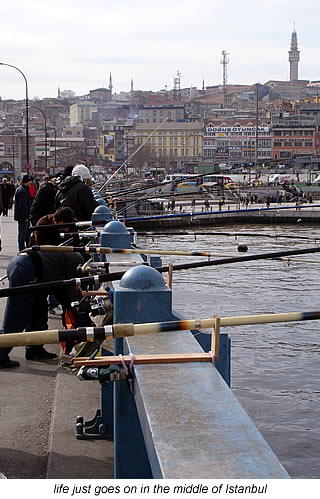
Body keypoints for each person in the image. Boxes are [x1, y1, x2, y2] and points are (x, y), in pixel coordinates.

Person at [0, 250, 86, 368]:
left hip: (28, 267)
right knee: (16, 318)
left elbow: (65, 291)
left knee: (38, 313)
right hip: (27, 270)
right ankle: (0, 355)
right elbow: (68, 293)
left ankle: (35, 349)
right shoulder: (77, 262)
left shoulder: (69, 258)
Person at [14, 175, 32, 251]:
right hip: (23, 217)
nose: (31, 184)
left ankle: (27, 247)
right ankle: (22, 248)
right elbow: (23, 205)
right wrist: (26, 217)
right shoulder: (22, 191)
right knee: (22, 233)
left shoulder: (23, 189)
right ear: (26, 182)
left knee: (26, 233)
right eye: (30, 182)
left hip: (24, 216)